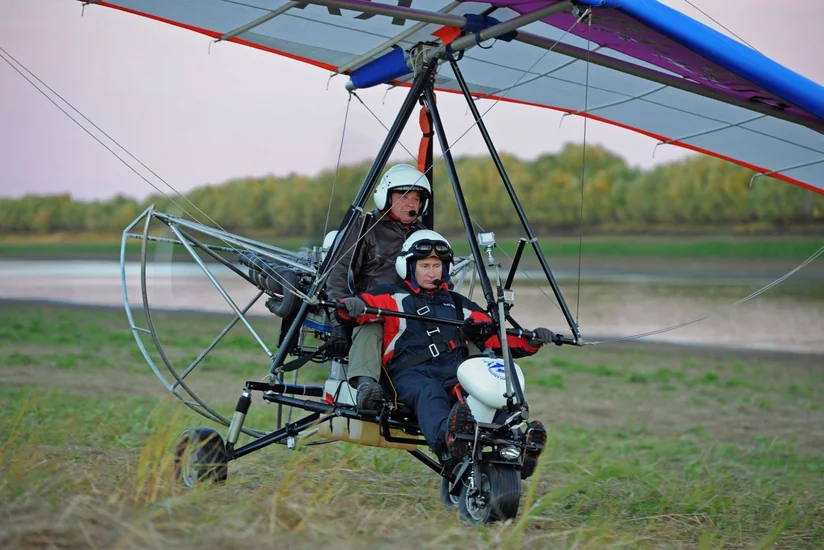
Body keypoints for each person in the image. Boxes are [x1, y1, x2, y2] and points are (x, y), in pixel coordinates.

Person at [335, 230, 552, 478]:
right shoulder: (390, 296)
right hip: (411, 374)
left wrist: (531, 340)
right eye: (425, 266)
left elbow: (496, 336)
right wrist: (349, 306)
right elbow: (351, 311)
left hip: (455, 372)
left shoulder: (460, 305)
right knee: (430, 393)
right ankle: (449, 440)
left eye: (437, 266)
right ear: (409, 267)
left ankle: (518, 444)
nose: (431, 273)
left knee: (481, 395)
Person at [324, 164, 432, 411]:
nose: (411, 203)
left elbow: (440, 277)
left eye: (416, 198)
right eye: (404, 196)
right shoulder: (364, 226)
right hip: (373, 309)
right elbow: (337, 275)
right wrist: (338, 323)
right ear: (386, 196)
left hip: (413, 313)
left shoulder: (424, 235)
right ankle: (366, 387)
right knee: (372, 325)